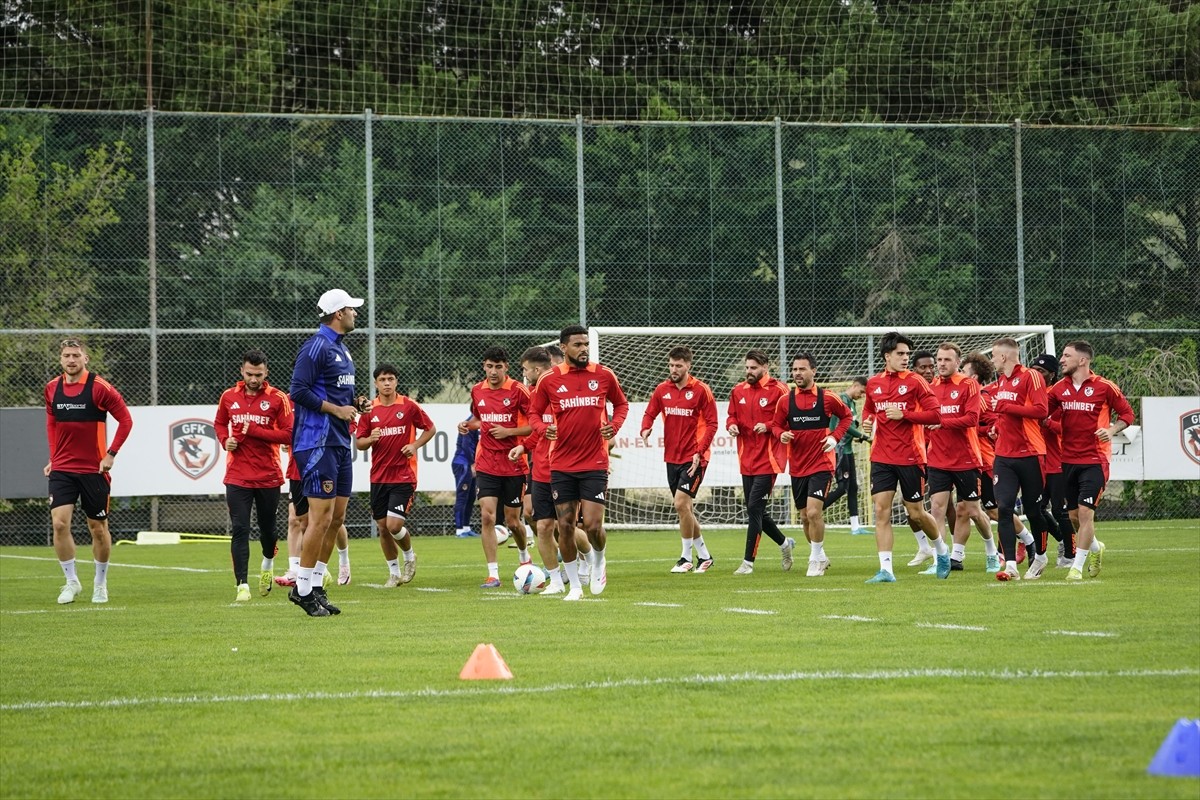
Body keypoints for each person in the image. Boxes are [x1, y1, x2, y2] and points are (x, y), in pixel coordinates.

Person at [529, 325, 629, 601]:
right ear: (563, 348)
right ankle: (573, 586)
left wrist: (615, 426)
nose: (584, 348)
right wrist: (541, 429)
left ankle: (598, 560)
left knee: (594, 526)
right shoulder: (548, 380)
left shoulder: (603, 374)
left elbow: (621, 405)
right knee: (566, 524)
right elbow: (533, 413)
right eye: (578, 344)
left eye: (586, 344)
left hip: (595, 461)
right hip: (561, 464)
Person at [288, 287, 364, 617]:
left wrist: (355, 404)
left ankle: (316, 585)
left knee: (337, 519)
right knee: (319, 519)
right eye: (351, 309)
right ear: (338, 314)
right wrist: (336, 410)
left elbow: (336, 393)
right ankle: (301, 590)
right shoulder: (315, 347)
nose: (355, 313)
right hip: (316, 442)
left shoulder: (342, 350)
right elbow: (297, 392)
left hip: (338, 442)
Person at [44, 338, 133, 605]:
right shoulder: (52, 389)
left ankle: (100, 584)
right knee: (59, 523)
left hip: (93, 470)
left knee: (98, 528)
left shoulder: (99, 388)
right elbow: (51, 424)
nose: (71, 360)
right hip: (62, 469)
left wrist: (111, 454)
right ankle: (71, 582)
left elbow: (126, 420)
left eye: (76, 355)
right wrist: (53, 457)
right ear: (61, 359)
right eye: (66, 355)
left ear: (86, 359)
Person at [860, 332, 948, 583]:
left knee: (916, 513)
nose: (905, 358)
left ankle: (941, 550)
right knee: (880, 512)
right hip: (881, 457)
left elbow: (936, 415)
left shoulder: (916, 382)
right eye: (900, 353)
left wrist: (905, 414)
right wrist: (867, 422)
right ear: (887, 356)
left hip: (911, 457)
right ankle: (886, 570)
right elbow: (869, 409)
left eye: (907, 354)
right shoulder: (874, 383)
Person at [1048, 341, 1136, 581]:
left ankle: (1076, 567)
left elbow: (1127, 414)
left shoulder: (1104, 387)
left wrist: (1112, 429)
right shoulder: (1057, 389)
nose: (1062, 359)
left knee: (1086, 513)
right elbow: (1041, 411)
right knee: (1074, 517)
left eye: (1067, 355)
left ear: (1083, 360)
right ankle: (1096, 549)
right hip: (1067, 460)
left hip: (1095, 460)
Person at [509, 345, 592, 594]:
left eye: (525, 370)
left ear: (536, 369)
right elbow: (538, 431)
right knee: (543, 525)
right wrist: (524, 448)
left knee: (564, 525)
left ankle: (589, 557)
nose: (524, 375)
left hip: (563, 468)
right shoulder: (535, 395)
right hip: (541, 470)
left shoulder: (561, 393)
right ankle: (556, 580)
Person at [214, 349, 293, 602]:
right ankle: (242, 585)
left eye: (258, 375)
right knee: (240, 528)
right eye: (249, 374)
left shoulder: (278, 398)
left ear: (266, 372)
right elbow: (218, 423)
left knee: (268, 529)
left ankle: (268, 565)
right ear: (242, 371)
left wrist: (257, 431)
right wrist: (225, 440)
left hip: (268, 474)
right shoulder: (228, 396)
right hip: (237, 475)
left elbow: (289, 434)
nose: (254, 379)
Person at [770, 351, 851, 577]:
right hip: (797, 466)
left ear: (813, 371)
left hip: (822, 464)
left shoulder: (828, 398)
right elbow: (775, 426)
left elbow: (847, 417)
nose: (797, 373)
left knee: (815, 512)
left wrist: (835, 437)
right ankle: (821, 554)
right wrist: (781, 434)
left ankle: (814, 559)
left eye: (802, 369)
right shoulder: (785, 401)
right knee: (805, 517)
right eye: (794, 369)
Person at [640, 346, 719, 573]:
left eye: (678, 365)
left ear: (688, 366)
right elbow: (650, 412)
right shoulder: (662, 389)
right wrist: (646, 428)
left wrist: (699, 451)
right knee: (685, 509)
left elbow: (713, 424)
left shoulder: (701, 390)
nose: (674, 369)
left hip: (695, 458)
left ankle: (686, 558)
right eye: (671, 365)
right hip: (671, 457)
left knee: (681, 504)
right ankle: (704, 556)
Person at [356, 363, 436, 587]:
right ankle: (393, 572)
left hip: (403, 475)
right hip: (379, 477)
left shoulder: (408, 406)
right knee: (382, 527)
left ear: (396, 381)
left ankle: (410, 556)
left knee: (393, 525)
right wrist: (370, 439)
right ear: (375, 383)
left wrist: (415, 445)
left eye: (391, 379)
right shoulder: (369, 410)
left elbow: (430, 428)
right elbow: (359, 443)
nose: (387, 383)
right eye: (382, 380)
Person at [460, 346, 533, 588]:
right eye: (489, 366)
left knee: (513, 521)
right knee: (487, 516)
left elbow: (536, 424)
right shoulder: (477, 391)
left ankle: (524, 556)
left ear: (506, 368)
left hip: (514, 462)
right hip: (487, 463)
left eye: (498, 367)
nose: (493, 371)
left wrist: (509, 432)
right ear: (484, 366)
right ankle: (493, 574)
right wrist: (468, 425)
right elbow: (480, 418)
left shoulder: (518, 391)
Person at [925, 342, 998, 574]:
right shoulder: (930, 387)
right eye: (939, 360)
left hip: (966, 458)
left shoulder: (969, 385)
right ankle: (940, 559)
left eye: (947, 360)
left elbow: (971, 419)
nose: (942, 364)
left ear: (958, 362)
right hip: (937, 458)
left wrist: (941, 422)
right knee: (937, 508)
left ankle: (991, 551)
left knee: (973, 511)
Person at [988, 337, 1051, 580]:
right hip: (1004, 455)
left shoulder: (1031, 376)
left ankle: (1042, 555)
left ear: (1003, 356)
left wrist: (1006, 407)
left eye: (994, 355)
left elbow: (1041, 410)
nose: (992, 360)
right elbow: (1005, 412)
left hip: (1031, 453)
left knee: (1035, 511)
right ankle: (1011, 566)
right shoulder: (1002, 379)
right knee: (1003, 508)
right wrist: (996, 425)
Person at [726, 350, 792, 575]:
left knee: (754, 507)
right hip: (747, 459)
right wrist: (732, 425)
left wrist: (769, 425)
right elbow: (731, 415)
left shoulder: (780, 390)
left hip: (769, 459)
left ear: (765, 367)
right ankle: (784, 544)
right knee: (757, 510)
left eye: (753, 368)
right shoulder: (738, 391)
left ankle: (748, 562)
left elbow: (788, 419)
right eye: (747, 368)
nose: (749, 372)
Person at [954, 353, 1004, 573]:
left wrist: (980, 429)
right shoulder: (962, 396)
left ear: (972, 376)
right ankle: (956, 557)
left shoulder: (981, 398)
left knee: (991, 511)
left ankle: (1024, 539)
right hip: (967, 461)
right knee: (963, 509)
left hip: (984, 461)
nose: (959, 375)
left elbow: (995, 425)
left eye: (963, 371)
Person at [1029, 353, 1078, 568]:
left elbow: (1066, 430)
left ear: (1051, 375)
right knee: (1036, 508)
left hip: (1058, 461)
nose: (1038, 375)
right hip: (1037, 462)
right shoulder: (1030, 395)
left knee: (1060, 510)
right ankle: (1060, 540)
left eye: (1042, 371)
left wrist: (1047, 421)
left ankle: (1070, 554)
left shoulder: (1057, 395)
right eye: (1035, 370)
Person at [822, 376, 871, 535]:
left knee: (853, 487)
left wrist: (856, 436)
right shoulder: (841, 400)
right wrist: (864, 436)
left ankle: (855, 527)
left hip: (848, 450)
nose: (862, 395)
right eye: (862, 392)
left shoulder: (853, 404)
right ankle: (815, 509)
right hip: (839, 451)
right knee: (843, 487)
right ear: (855, 385)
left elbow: (849, 429)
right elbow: (846, 426)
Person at [451, 415, 479, 537]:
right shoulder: (469, 423)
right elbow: (466, 445)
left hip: (470, 463)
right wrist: (472, 463)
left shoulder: (479, 422)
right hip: (463, 464)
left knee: (471, 496)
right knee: (462, 496)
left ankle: (466, 527)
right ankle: (459, 529)